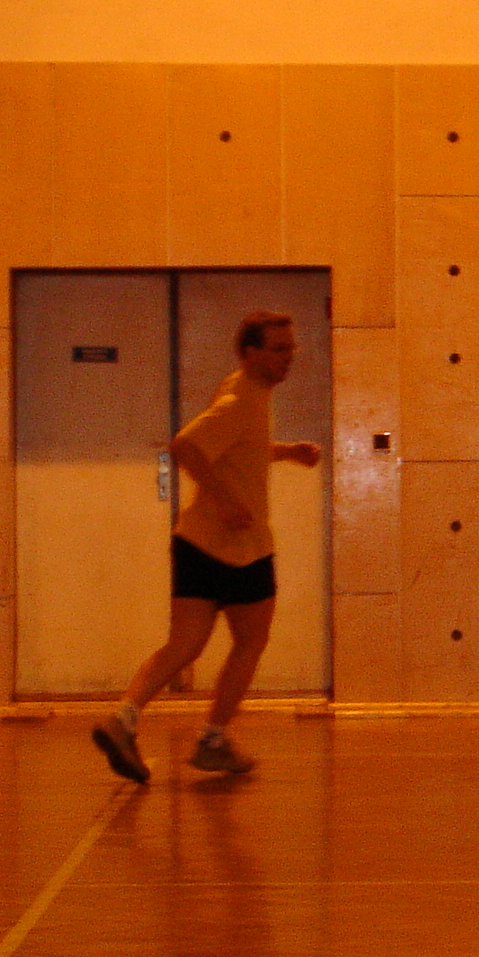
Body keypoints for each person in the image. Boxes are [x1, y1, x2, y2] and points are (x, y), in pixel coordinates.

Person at [90, 311, 321, 784]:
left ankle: (124, 719)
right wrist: (225, 500)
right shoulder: (239, 399)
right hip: (242, 548)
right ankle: (213, 739)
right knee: (250, 641)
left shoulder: (244, 391)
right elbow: (186, 447)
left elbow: (238, 447)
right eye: (278, 349)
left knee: (186, 644)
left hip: (196, 542)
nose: (288, 358)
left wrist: (287, 452)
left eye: (291, 348)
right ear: (250, 353)